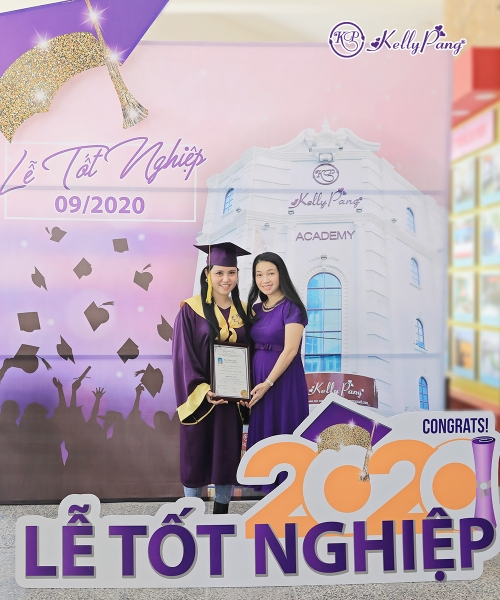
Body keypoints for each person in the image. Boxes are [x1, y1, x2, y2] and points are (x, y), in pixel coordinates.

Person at [172, 242, 251, 513]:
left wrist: (247, 389)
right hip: (202, 399)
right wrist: (203, 390)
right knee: (195, 457)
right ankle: (191, 515)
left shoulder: (244, 311)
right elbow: (183, 355)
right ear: (207, 274)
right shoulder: (190, 310)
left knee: (226, 458)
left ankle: (221, 517)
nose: (225, 279)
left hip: (231, 401)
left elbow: (252, 353)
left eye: (231, 272)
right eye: (219, 273)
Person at [246, 252, 309, 452]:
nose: (265, 280)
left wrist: (268, 383)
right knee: (262, 436)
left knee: (283, 433)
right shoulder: (256, 309)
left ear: (281, 274)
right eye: (259, 275)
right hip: (259, 381)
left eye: (270, 273)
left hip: (283, 380)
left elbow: (290, 350)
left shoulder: (292, 307)